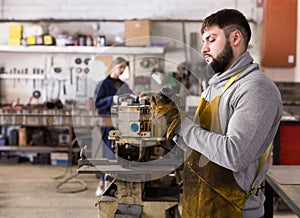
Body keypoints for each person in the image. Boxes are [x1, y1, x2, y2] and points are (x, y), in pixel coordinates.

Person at [173, 9, 283, 218]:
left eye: (211, 39)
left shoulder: (256, 88)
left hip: (236, 211)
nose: (204, 48)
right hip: (202, 204)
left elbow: (235, 155)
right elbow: (201, 146)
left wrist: (183, 126)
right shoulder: (215, 86)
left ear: (235, 38)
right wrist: (172, 128)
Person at [93, 57, 132, 196]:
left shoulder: (123, 85)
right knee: (109, 153)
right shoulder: (103, 84)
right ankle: (102, 183)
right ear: (114, 67)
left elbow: (131, 97)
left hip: (122, 124)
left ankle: (116, 183)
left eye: (124, 68)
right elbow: (98, 103)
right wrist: (113, 99)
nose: (122, 71)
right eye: (120, 67)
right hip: (108, 124)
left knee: (121, 153)